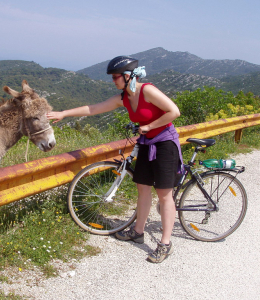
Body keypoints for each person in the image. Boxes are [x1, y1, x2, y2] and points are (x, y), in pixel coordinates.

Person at [47, 56, 182, 263]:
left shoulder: (147, 91)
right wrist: (64, 113)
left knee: (164, 195)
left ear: (128, 76)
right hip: (146, 144)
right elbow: (93, 108)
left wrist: (148, 127)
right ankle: (138, 232)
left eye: (115, 77)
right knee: (142, 188)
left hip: (165, 145)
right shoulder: (124, 98)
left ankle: (165, 243)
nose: (113, 80)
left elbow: (174, 111)